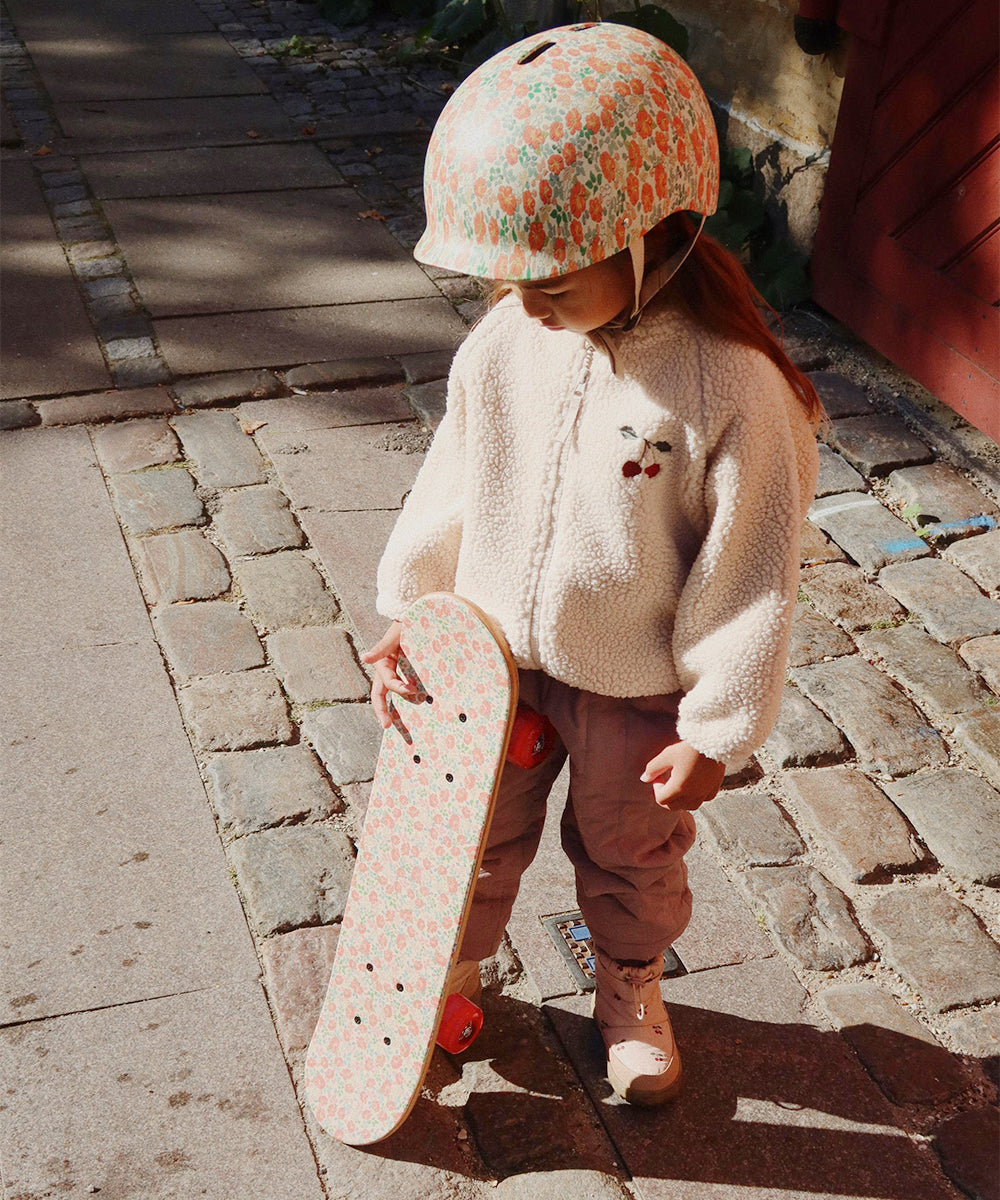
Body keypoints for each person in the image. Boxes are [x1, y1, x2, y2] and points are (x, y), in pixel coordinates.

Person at [362, 22, 821, 1107]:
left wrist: (716, 731)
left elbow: (750, 570)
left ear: (652, 235)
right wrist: (414, 611)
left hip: (633, 687)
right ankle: (444, 973)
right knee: (466, 834)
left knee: (628, 853)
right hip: (493, 666)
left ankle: (628, 988)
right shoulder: (507, 343)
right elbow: (452, 480)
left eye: (555, 279)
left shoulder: (729, 388)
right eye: (507, 276)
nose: (526, 301)